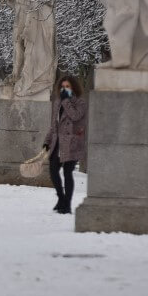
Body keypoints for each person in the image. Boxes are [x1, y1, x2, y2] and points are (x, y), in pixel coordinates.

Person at [43, 76, 87, 213]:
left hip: (71, 143)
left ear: (73, 87)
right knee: (53, 170)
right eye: (62, 87)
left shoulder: (80, 102)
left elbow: (75, 116)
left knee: (68, 173)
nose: (64, 89)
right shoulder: (57, 102)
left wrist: (66, 101)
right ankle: (61, 198)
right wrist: (47, 141)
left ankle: (67, 205)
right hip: (57, 142)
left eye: (67, 87)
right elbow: (53, 124)